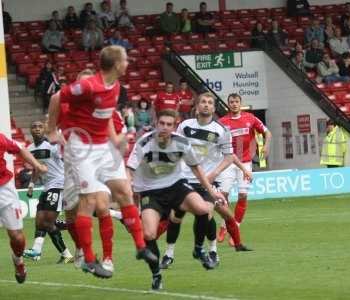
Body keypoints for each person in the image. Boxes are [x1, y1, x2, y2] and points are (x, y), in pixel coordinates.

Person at [47, 45, 157, 279]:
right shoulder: (88, 85)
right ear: (116, 64)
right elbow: (57, 96)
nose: (128, 63)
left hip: (103, 146)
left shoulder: (115, 87)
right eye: (125, 59)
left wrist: (115, 139)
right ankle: (88, 258)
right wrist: (51, 131)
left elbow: (104, 116)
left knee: (124, 191)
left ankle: (140, 247)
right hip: (82, 148)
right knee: (89, 202)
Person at [126, 109, 227, 290]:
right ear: (156, 123)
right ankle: (156, 275)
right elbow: (130, 170)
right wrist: (127, 192)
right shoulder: (144, 142)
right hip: (151, 192)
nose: (164, 127)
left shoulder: (181, 142)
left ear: (174, 126)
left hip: (176, 187)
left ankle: (198, 250)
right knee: (149, 234)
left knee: (203, 209)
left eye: (169, 124)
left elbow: (196, 169)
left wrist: (212, 192)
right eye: (162, 123)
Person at [158, 93, 253, 271]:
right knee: (175, 218)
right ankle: (169, 254)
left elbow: (229, 156)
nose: (206, 105)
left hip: (207, 182)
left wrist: (213, 174)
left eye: (210, 103)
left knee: (208, 213)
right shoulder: (185, 126)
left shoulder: (221, 130)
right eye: (203, 102)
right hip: (184, 180)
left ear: (214, 108)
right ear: (197, 105)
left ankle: (212, 251)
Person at [218, 93, 272, 244]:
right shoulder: (222, 122)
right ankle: (223, 226)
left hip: (245, 163)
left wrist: (266, 145)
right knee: (223, 195)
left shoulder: (250, 118)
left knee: (242, 195)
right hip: (228, 163)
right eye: (231, 102)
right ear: (228, 104)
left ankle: (235, 228)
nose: (234, 104)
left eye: (236, 101)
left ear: (241, 103)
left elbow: (267, 133)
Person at [23, 121, 73, 263]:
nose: (37, 129)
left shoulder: (52, 146)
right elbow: (36, 168)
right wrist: (31, 185)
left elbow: (66, 159)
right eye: (34, 127)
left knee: (47, 221)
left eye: (40, 127)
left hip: (58, 184)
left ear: (44, 130)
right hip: (46, 187)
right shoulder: (30, 149)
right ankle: (66, 254)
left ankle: (36, 250)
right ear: (31, 131)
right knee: (41, 222)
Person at [0, 132, 47, 284]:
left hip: (4, 189)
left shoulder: (0, 138)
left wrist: (37, 165)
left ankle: (18, 259)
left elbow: (19, 149)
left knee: (17, 238)